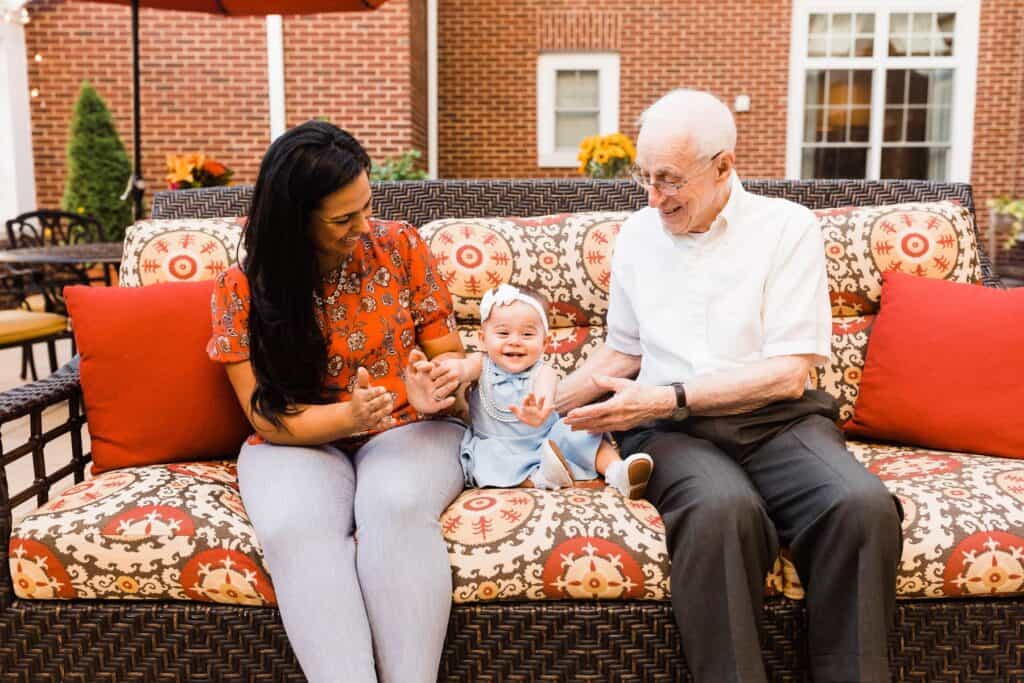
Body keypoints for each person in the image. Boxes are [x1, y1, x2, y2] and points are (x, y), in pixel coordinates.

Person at [555, 90, 903, 683]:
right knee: (722, 511)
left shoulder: (785, 228)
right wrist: (541, 399)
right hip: (670, 433)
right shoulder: (638, 235)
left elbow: (791, 371)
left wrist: (670, 395)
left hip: (775, 419)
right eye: (645, 177)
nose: (654, 197)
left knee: (861, 507)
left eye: (669, 180)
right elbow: (625, 349)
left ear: (723, 166)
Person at [208, 120, 465, 683]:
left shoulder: (399, 245)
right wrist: (348, 417)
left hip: (407, 425)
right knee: (294, 528)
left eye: (367, 207)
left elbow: (451, 354)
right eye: (343, 219)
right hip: (295, 437)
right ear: (294, 221)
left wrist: (437, 383)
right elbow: (265, 415)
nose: (363, 226)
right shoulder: (243, 286)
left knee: (395, 506)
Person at [407, 283, 653, 498]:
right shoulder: (481, 363)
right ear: (482, 338)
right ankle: (541, 479)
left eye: (527, 334)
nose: (515, 340)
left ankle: (617, 471)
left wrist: (540, 410)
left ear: (545, 343)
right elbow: (460, 368)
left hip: (545, 441)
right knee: (488, 460)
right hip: (497, 444)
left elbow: (546, 393)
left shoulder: (543, 371)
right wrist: (441, 369)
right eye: (503, 333)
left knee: (581, 427)